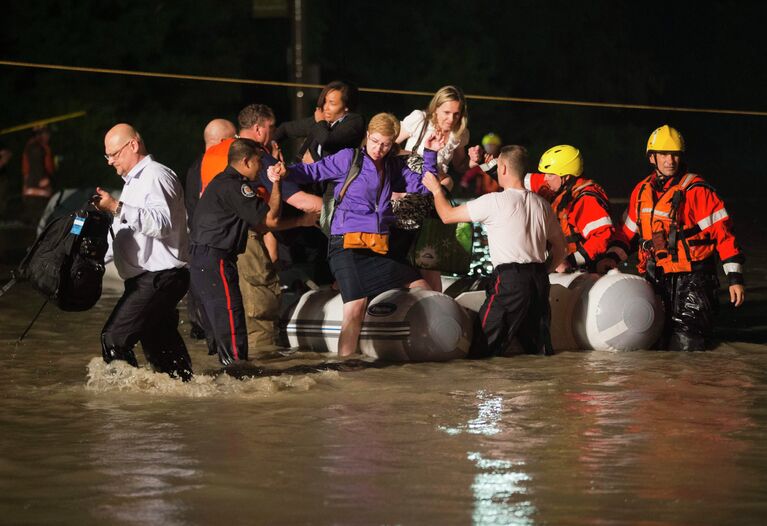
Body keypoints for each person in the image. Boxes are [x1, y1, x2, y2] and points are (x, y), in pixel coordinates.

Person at [284, 113, 444, 357]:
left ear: (393, 144)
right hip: (346, 245)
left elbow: (425, 187)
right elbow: (311, 172)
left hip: (376, 246)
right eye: (375, 141)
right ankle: (345, 367)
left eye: (386, 144)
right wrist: (281, 172)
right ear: (368, 136)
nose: (379, 149)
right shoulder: (349, 157)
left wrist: (430, 153)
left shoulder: (394, 167)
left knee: (420, 284)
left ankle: (422, 349)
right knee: (356, 307)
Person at [423, 145, 566, 357]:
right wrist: (543, 271)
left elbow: (447, 215)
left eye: (498, 167)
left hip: (510, 281)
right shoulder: (542, 204)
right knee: (538, 352)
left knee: (481, 351)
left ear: (504, 168)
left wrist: (436, 190)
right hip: (539, 282)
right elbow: (561, 248)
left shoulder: (494, 202)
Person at [199, 104, 322, 349]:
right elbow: (298, 202)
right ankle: (263, 369)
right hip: (246, 241)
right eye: (271, 127)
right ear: (257, 128)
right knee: (261, 307)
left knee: (234, 311)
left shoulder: (213, 153)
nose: (273, 132)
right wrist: (345, 210)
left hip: (215, 247)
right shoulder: (256, 156)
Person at [617, 124, 745, 351]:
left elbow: (723, 234)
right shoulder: (641, 191)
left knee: (687, 347)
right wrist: (608, 260)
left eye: (675, 154)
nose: (670, 160)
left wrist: (734, 279)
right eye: (664, 154)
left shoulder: (698, 190)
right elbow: (627, 235)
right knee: (653, 342)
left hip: (693, 277)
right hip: (655, 276)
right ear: (652, 158)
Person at [92, 123, 192, 381]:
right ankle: (185, 396)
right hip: (148, 279)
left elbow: (161, 224)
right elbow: (123, 233)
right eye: (107, 156)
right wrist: (92, 262)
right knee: (161, 349)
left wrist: (116, 206)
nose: (110, 162)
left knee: (114, 338)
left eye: (113, 154)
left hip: (159, 277)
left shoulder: (156, 176)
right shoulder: (133, 182)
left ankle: (126, 403)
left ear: (133, 145)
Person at [392, 85, 471, 291]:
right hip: (408, 187)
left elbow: (460, 165)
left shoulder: (459, 134)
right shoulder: (419, 119)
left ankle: (435, 304)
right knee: (402, 246)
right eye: (446, 112)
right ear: (435, 108)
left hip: (434, 194)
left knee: (430, 253)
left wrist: (475, 161)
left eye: (456, 114)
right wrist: (417, 159)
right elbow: (390, 146)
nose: (451, 119)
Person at [524, 145, 619, 273]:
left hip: (583, 271)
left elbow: (602, 237)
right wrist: (493, 165)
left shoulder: (585, 200)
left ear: (566, 177)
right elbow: (516, 178)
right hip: (562, 266)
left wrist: (571, 261)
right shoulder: (559, 184)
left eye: (550, 174)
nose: (545, 178)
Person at [183, 118, 236, 340]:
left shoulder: (195, 168)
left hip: (196, 255)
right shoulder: (220, 170)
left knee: (205, 332)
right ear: (224, 141)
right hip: (214, 253)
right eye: (235, 139)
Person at [273, 80, 365, 163]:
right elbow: (285, 129)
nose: (325, 107)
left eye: (332, 103)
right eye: (325, 101)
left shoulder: (354, 121)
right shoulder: (321, 121)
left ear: (346, 106)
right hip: (305, 176)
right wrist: (273, 145)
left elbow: (328, 142)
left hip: (333, 181)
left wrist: (314, 162)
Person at [21, 126, 55, 225]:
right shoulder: (36, 148)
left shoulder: (40, 147)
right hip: (38, 185)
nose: (48, 136)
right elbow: (35, 166)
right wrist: (44, 179)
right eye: (46, 134)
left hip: (34, 185)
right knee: (40, 216)